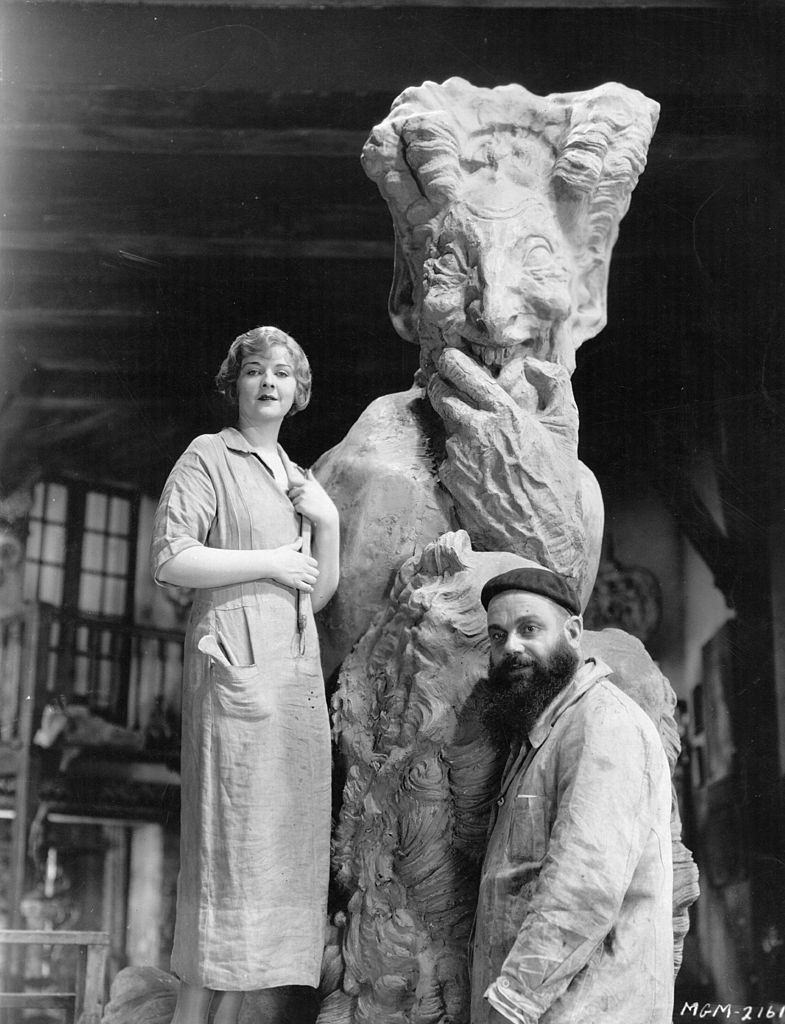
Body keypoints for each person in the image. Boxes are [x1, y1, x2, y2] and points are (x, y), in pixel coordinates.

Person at [150, 326, 340, 1024]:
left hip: (289, 686)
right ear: (234, 384)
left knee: (272, 865)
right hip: (235, 674)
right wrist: (269, 562)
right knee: (225, 865)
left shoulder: (295, 474)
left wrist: (328, 526)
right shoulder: (209, 457)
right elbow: (171, 559)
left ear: (298, 391)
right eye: (255, 370)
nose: (269, 381)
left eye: (284, 373)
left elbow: (313, 594)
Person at [472, 566, 674, 1024]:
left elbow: (584, 887)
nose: (512, 648)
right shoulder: (538, 736)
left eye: (529, 629)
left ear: (574, 632)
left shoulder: (602, 724)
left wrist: (512, 1002)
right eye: (498, 636)